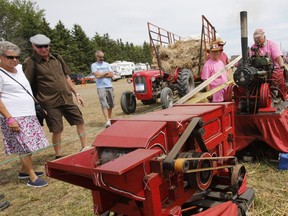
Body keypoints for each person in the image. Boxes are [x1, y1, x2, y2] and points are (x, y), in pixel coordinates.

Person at [23, 34, 88, 159]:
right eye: (39, 46)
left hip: (67, 99)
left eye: (46, 46)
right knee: (57, 129)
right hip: (49, 103)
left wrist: (76, 93)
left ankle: (84, 147)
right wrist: (37, 105)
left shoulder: (57, 58)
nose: (43, 49)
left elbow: (66, 77)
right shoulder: (30, 62)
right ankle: (58, 155)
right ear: (33, 46)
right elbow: (27, 86)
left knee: (80, 121)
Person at [0, 41, 48, 187]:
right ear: (1, 57)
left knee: (30, 145)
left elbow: (26, 89)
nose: (14, 60)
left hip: (29, 114)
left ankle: (23, 171)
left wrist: (38, 106)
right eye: (10, 57)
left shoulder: (20, 69)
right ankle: (32, 177)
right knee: (25, 146)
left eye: (17, 57)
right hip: (14, 116)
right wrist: (9, 119)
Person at [91, 50, 115, 128]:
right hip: (100, 87)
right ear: (96, 57)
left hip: (109, 86)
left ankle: (109, 118)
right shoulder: (94, 65)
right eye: (100, 57)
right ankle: (107, 120)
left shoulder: (107, 64)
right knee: (104, 103)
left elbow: (111, 74)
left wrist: (101, 74)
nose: (102, 58)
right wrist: (105, 73)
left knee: (110, 103)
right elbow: (97, 76)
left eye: (102, 57)